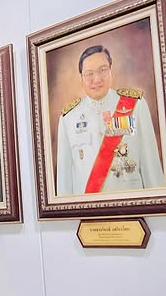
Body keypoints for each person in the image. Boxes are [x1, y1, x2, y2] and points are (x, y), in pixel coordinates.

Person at [56, 45, 165, 195]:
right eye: (89, 73)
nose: (97, 79)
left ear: (111, 70)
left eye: (102, 70)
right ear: (81, 78)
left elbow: (151, 168)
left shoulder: (136, 106)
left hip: (132, 206)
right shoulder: (68, 118)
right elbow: (64, 183)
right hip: (88, 208)